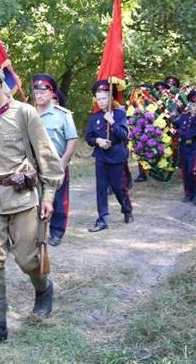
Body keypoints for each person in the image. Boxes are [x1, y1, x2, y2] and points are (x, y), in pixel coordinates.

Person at [0, 64, 64, 347]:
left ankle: (43, 288)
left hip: (22, 198)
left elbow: (47, 158)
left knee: (27, 259)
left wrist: (48, 198)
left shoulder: (25, 114)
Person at [32, 73, 77, 246]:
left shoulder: (63, 115)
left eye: (43, 92)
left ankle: (57, 231)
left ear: (52, 93)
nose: (39, 95)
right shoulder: (29, 113)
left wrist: (64, 161)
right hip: (34, 165)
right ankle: (35, 231)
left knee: (58, 198)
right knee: (34, 198)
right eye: (36, 92)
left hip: (56, 164)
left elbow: (72, 139)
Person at [85, 80, 133, 232]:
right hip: (101, 157)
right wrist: (97, 140)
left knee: (118, 188)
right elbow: (89, 137)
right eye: (98, 99)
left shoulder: (119, 115)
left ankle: (127, 209)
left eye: (104, 98)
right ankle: (102, 219)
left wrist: (112, 122)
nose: (101, 102)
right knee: (101, 189)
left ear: (111, 97)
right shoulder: (95, 117)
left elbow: (124, 135)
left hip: (117, 156)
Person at [175, 90, 196, 205]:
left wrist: (178, 132)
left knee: (192, 171)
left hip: (194, 147)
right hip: (184, 147)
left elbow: (189, 134)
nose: (195, 108)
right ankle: (188, 192)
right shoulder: (184, 117)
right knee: (185, 171)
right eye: (193, 105)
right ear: (190, 105)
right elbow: (175, 123)